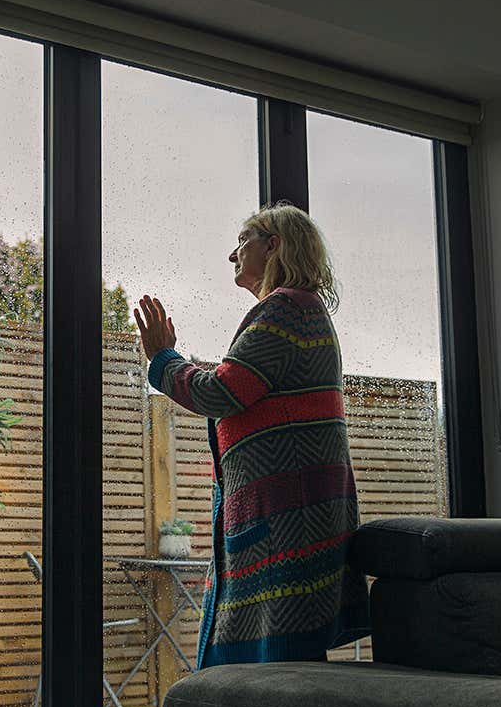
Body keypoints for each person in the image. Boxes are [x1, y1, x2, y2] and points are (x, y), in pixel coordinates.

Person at [134, 201, 370, 667]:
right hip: (288, 520)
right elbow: (240, 382)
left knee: (274, 676)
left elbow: (223, 391)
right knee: (275, 671)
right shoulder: (298, 312)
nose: (232, 254)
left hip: (286, 524)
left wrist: (163, 360)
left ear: (274, 245)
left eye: (243, 240)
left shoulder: (284, 310)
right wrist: (181, 363)